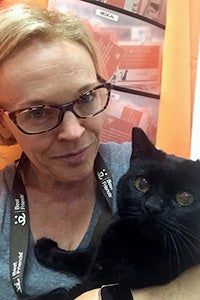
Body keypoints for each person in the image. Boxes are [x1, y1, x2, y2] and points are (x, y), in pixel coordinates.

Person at [0, 3, 200, 300]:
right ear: (4, 126)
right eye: (38, 112)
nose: (74, 131)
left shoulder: (139, 169)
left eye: (86, 97)